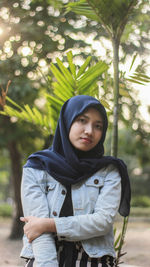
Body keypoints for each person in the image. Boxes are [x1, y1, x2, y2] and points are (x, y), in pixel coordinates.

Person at [20, 95, 131, 267]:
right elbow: (37, 230)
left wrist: (49, 224)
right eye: (82, 120)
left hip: (95, 260)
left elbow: (102, 222)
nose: (89, 131)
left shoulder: (110, 170)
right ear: (67, 121)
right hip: (44, 259)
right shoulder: (36, 167)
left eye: (98, 126)